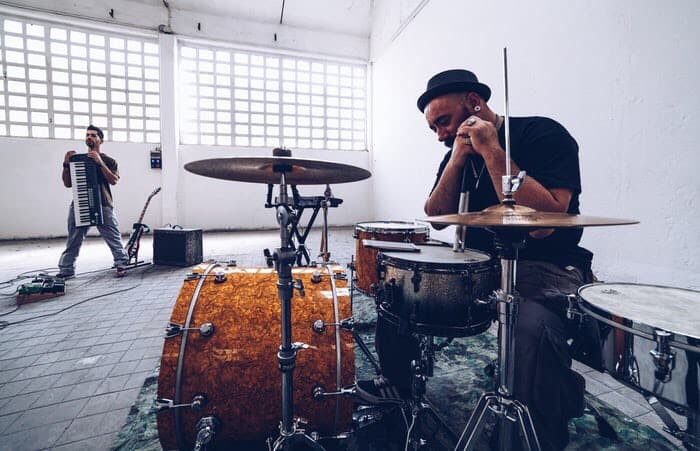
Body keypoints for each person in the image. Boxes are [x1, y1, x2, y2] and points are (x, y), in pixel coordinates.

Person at [356, 69, 594, 450]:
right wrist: (455, 161)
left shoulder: (543, 133)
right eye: (433, 128)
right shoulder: (456, 152)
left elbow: (549, 220)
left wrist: (491, 150)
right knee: (399, 288)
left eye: (444, 122)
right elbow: (435, 213)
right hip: (482, 265)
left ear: (474, 104)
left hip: (547, 265)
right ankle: (397, 388)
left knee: (532, 327)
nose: (440, 135)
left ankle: (538, 430)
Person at [57, 125, 129, 279]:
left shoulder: (109, 160)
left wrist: (99, 161)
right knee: (73, 238)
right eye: (87, 135)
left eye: (94, 135)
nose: (89, 137)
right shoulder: (77, 159)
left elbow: (114, 180)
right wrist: (65, 164)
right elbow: (67, 183)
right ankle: (66, 269)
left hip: (103, 203)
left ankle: (121, 263)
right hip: (80, 203)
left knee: (113, 236)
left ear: (101, 140)